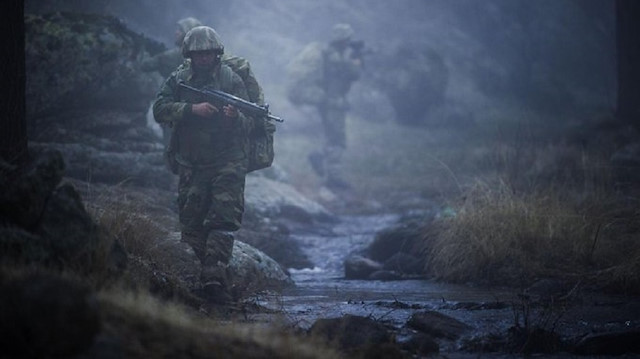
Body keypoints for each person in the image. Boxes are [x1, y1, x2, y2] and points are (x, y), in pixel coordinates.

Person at [152, 25, 258, 304]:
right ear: (189, 54)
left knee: (223, 218)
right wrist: (191, 110)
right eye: (198, 54)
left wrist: (235, 117)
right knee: (191, 223)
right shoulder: (179, 78)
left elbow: (252, 122)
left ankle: (214, 275)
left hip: (228, 160)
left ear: (216, 53)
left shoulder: (231, 79)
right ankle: (200, 275)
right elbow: (159, 109)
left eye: (208, 53)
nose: (203, 58)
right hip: (192, 162)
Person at [286, 23, 364, 190]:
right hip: (333, 103)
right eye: (348, 39)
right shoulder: (336, 57)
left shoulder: (329, 54)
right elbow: (354, 74)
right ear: (343, 40)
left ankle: (330, 172)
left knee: (332, 137)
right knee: (337, 139)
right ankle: (330, 172)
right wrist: (357, 60)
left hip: (326, 101)